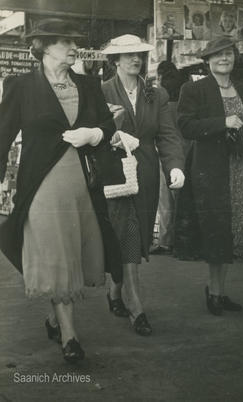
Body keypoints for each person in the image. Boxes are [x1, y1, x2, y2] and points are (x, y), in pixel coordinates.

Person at [0, 18, 122, 362]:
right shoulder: (20, 85)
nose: (73, 48)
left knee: (75, 254)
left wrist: (95, 134)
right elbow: (2, 133)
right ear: (43, 47)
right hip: (42, 184)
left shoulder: (88, 84)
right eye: (64, 42)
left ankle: (55, 320)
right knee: (57, 254)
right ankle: (70, 336)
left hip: (83, 182)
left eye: (74, 42)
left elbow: (107, 122)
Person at [100, 34, 185, 335]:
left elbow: (167, 134)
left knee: (133, 234)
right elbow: (93, 132)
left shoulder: (156, 94)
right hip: (115, 172)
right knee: (128, 231)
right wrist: (111, 134)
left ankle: (114, 290)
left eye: (140, 54)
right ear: (115, 60)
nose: (136, 59)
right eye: (129, 55)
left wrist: (174, 166)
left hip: (146, 174)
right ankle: (135, 305)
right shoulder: (101, 91)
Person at [177, 37, 243, 316]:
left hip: (238, 168)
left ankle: (220, 292)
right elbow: (186, 126)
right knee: (215, 230)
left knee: (231, 229)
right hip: (210, 171)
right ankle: (213, 292)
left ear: (235, 57)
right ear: (207, 60)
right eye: (217, 55)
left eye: (228, 54)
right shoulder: (195, 89)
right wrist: (222, 122)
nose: (224, 58)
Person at [151, 61, 189, 255]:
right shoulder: (183, 102)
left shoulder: (161, 103)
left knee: (165, 200)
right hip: (185, 153)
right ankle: (182, 240)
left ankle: (166, 240)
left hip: (165, 156)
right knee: (182, 198)